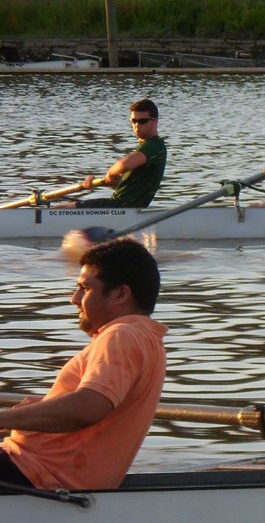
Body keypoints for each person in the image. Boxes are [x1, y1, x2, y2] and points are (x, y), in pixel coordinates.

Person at [0, 238, 167, 492]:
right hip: (37, 469)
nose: (74, 299)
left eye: (85, 289)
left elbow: (88, 408)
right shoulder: (147, 339)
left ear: (121, 294)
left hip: (38, 474)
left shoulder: (122, 335)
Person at [70, 98, 167, 208]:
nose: (137, 125)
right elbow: (133, 186)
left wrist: (110, 173)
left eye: (142, 121)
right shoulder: (149, 147)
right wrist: (112, 182)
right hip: (124, 207)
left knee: (62, 209)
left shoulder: (153, 146)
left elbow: (122, 165)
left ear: (154, 122)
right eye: (134, 121)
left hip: (121, 206)